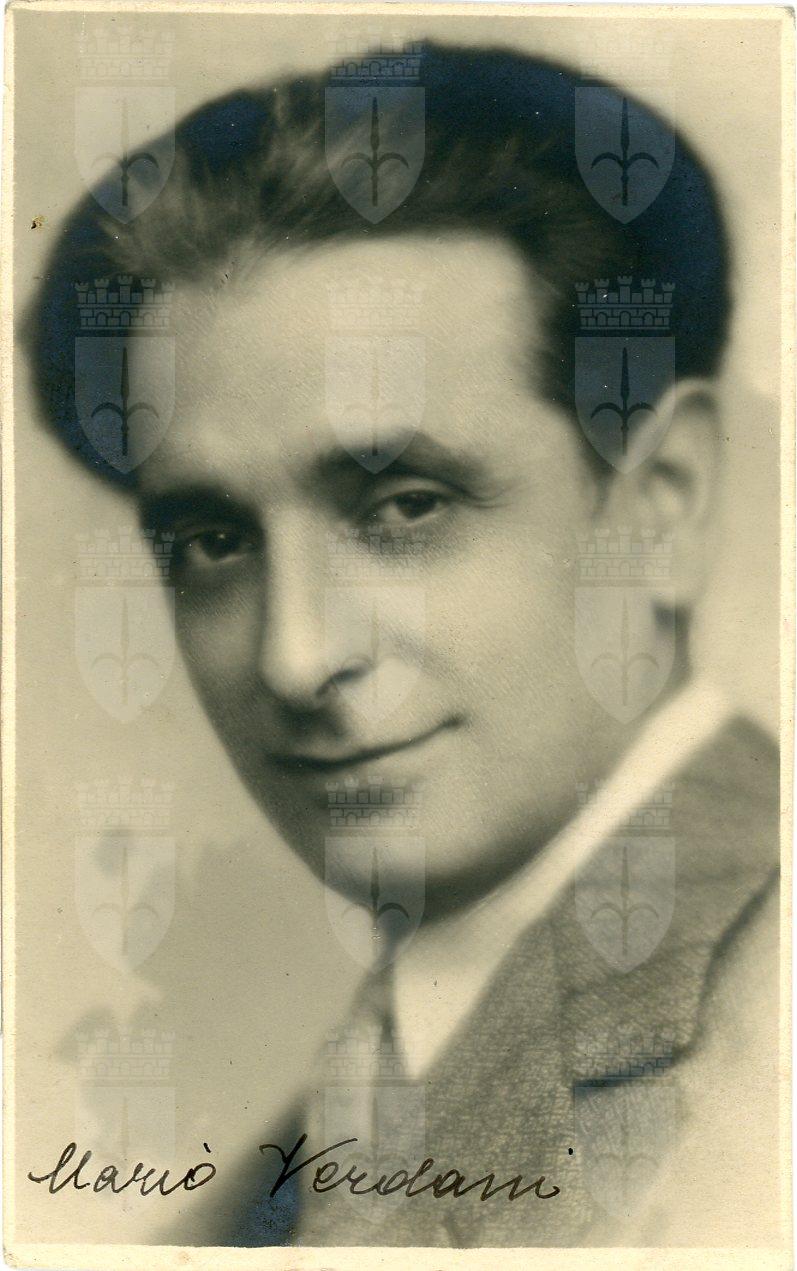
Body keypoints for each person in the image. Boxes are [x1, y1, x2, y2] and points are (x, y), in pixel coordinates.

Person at [24, 41, 779, 1248]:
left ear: (662, 505)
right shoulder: (295, 1160)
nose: (293, 656)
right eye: (213, 539)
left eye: (404, 506)